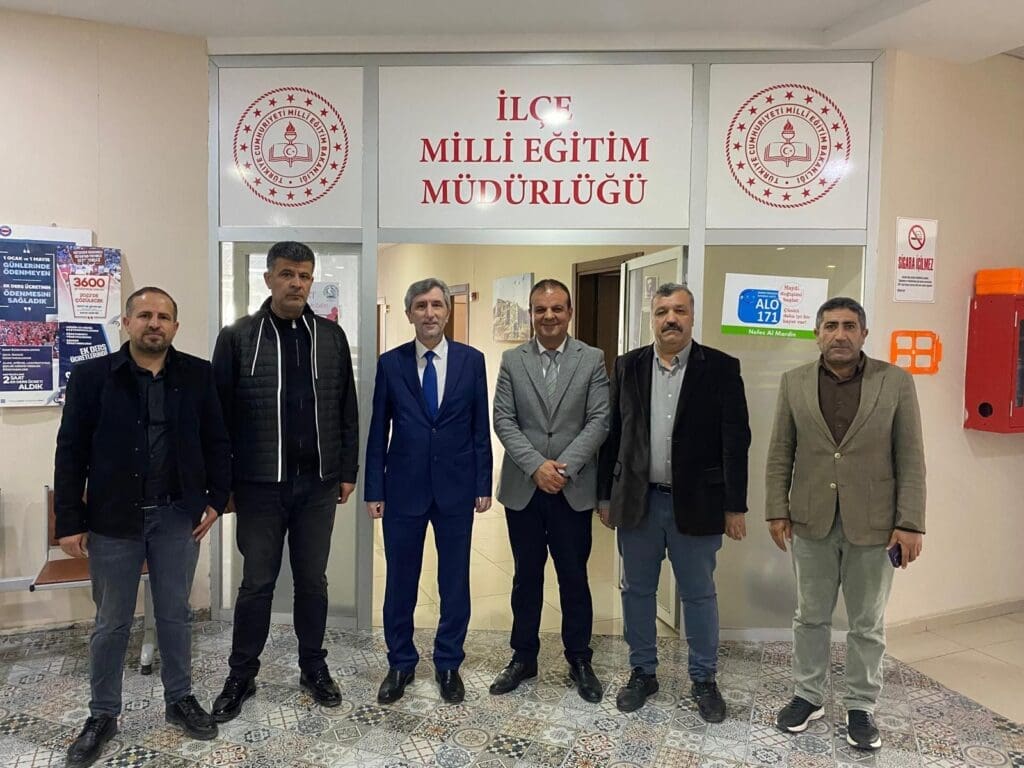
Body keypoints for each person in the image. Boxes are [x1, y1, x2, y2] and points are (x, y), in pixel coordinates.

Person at [55, 287, 230, 767]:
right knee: (111, 622)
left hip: (177, 517)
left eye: (164, 317)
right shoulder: (92, 377)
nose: (155, 323)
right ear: (127, 322)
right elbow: (70, 450)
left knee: (175, 614)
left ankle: (180, 699)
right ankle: (102, 715)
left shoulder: (198, 375)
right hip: (113, 519)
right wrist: (69, 519)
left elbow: (218, 440)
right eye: (146, 315)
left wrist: (217, 500)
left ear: (175, 326)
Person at [766, 296, 926, 751]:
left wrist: (910, 522)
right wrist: (776, 508)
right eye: (831, 325)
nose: (840, 334)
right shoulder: (794, 382)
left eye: (850, 326)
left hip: (875, 525)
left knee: (867, 622)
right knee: (810, 616)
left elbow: (910, 457)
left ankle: (861, 705)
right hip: (811, 519)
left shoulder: (895, 382)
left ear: (864, 334)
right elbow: (781, 451)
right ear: (817, 334)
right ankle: (808, 695)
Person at [211, 241, 359, 720]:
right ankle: (241, 674)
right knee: (257, 582)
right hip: (259, 486)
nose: (297, 283)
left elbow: (347, 408)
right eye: (287, 274)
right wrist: (223, 484)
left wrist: (347, 471)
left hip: (318, 485)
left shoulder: (330, 337)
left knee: (313, 581)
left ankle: (313, 666)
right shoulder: (238, 337)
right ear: (269, 278)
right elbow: (218, 417)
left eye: (304, 275)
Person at [597, 282, 750, 721]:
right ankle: (642, 672)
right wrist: (605, 495)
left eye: (679, 310)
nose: (671, 319)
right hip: (638, 503)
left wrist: (735, 507)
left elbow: (736, 441)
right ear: (652, 318)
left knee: (699, 595)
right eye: (663, 311)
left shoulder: (720, 368)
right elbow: (613, 434)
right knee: (637, 591)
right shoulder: (627, 365)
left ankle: (704, 678)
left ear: (692, 316)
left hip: (698, 503)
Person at [365, 277, 492, 704]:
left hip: (457, 488)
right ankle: (400, 662)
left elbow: (479, 427)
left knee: (454, 580)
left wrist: (482, 482)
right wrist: (374, 488)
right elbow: (378, 430)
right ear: (409, 314)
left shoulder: (471, 361)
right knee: (400, 580)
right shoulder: (391, 364)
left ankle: (448, 662)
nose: (430, 313)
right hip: (403, 489)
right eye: (421, 306)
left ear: (448, 311)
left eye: (437, 304)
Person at [490, 278, 609, 702]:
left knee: (574, 577)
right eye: (540, 309)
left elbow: (599, 420)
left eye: (557, 308)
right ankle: (523, 657)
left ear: (569, 312)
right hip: (524, 487)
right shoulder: (512, 360)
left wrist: (563, 468)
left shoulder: (591, 359)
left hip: (572, 489)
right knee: (526, 577)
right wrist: (537, 466)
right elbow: (503, 419)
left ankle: (579, 658)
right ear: (531, 314)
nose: (549, 316)